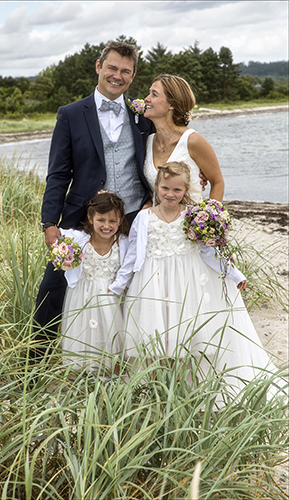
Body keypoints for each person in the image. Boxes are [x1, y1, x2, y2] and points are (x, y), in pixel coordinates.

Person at [30, 40, 155, 363]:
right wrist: (49, 223)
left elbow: (163, 156)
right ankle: (34, 365)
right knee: (53, 287)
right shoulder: (71, 114)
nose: (117, 76)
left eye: (125, 71)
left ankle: (128, 363)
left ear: (133, 75)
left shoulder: (142, 117)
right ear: (98, 67)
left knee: (132, 287)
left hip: (130, 217)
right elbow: (58, 173)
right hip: (79, 217)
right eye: (112, 68)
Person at [109, 162, 281, 393]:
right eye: (165, 188)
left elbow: (209, 251)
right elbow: (132, 257)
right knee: (156, 336)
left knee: (187, 336)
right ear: (156, 187)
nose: (170, 194)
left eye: (177, 190)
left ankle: (184, 387)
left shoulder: (193, 216)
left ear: (186, 191)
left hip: (188, 283)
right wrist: (119, 285)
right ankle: (159, 388)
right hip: (153, 285)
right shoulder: (144, 217)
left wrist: (234, 274)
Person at [60, 191, 129, 372]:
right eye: (101, 220)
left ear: (121, 220)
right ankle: (84, 373)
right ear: (90, 218)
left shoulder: (123, 243)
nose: (107, 225)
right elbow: (57, 245)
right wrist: (62, 259)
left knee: (111, 334)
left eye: (112, 221)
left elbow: (131, 268)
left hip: (112, 297)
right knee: (84, 334)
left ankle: (111, 373)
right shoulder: (79, 240)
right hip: (83, 296)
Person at [143, 74, 224, 204]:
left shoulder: (192, 141)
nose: (146, 99)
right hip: (156, 222)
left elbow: (217, 182)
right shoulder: (148, 142)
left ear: (171, 105)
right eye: (149, 93)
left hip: (190, 221)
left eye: (154, 94)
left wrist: (209, 219)